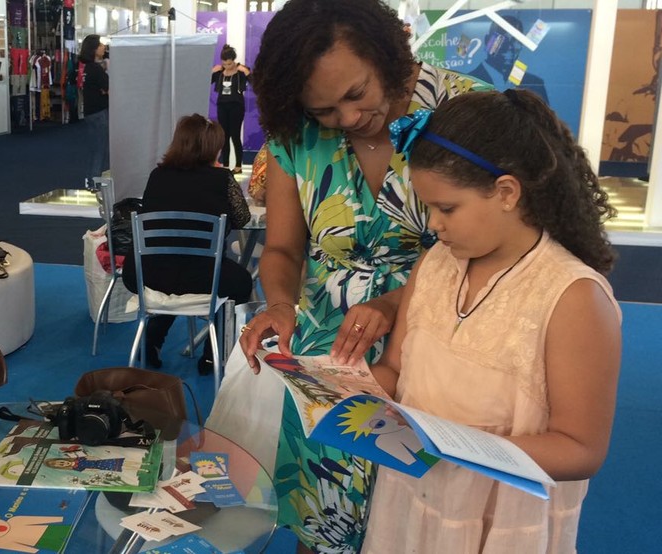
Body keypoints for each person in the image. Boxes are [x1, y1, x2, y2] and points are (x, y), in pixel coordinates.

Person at [235, 0, 488, 550]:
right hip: (329, 362)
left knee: (424, 518)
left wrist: (397, 303)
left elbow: (502, 251)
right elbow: (281, 248)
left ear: (386, 55)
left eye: (356, 94)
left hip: (440, 347)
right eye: (324, 110)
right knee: (325, 520)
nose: (346, 120)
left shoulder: (467, 113)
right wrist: (280, 303)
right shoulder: (295, 135)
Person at [362, 89, 621, 552]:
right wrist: (341, 393)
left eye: (446, 208)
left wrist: (456, 446)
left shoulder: (572, 296)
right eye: (427, 207)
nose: (433, 225)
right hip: (414, 493)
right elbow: (396, 370)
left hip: (496, 518)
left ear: (506, 192)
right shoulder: (435, 264)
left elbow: (581, 447)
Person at [122, 114, 251, 374]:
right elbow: (242, 219)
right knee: (242, 283)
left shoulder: (157, 176)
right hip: (203, 277)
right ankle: (213, 355)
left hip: (147, 274)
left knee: (174, 267)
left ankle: (153, 338)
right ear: (213, 148)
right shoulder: (223, 179)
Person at [467, 16, 549, 103]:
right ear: (487, 41)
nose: (510, 47)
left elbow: (543, 116)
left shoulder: (534, 83)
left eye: (517, 41)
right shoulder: (468, 82)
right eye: (502, 39)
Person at [211, 44, 251, 174]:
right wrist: (211, 72)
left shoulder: (240, 72)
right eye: (225, 64)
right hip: (222, 105)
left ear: (234, 61)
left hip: (236, 106)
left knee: (235, 135)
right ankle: (226, 165)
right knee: (224, 136)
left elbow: (255, 83)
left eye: (229, 64)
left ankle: (238, 166)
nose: (227, 66)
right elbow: (205, 81)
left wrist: (247, 73)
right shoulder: (219, 72)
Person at [80, 34, 109, 185]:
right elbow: (109, 88)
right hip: (99, 113)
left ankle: (91, 181)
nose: (103, 47)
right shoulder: (96, 69)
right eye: (100, 45)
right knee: (100, 150)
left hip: (90, 113)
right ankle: (95, 184)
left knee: (95, 150)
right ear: (93, 49)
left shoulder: (88, 69)